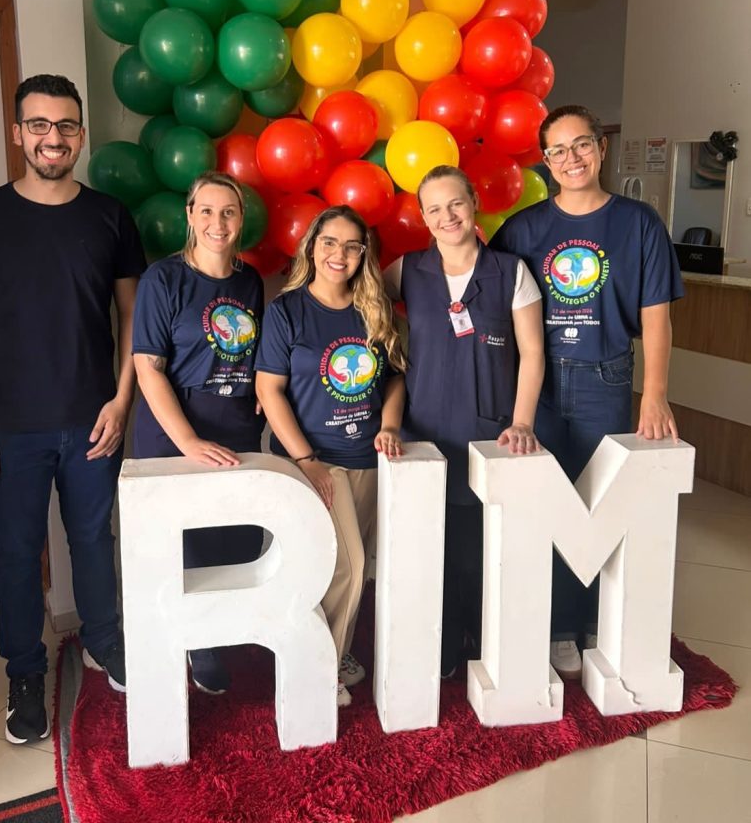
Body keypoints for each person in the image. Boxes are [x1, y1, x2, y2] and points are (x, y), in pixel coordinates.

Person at [0, 74, 145, 744]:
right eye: (38, 124)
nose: (52, 137)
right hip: (8, 424)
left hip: (93, 417)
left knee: (94, 539)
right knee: (14, 551)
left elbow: (131, 318)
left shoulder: (109, 216)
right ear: (18, 133)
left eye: (64, 125)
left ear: (80, 135)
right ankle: (25, 673)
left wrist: (122, 399)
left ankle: (104, 642)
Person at [492, 104, 684, 680]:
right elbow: (484, 291)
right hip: (540, 381)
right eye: (557, 150)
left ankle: (592, 617)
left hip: (607, 376)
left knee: (600, 503)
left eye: (581, 145)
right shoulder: (524, 229)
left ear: (601, 148)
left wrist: (655, 392)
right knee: (546, 503)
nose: (570, 158)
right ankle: (555, 626)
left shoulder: (639, 222)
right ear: (545, 161)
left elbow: (656, 315)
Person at [384, 165, 545, 678]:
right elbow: (353, 309)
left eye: (455, 203)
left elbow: (532, 352)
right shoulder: (405, 271)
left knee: (479, 548)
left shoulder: (511, 272)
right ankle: (446, 637)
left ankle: (481, 634)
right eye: (434, 209)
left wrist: (522, 422)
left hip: (489, 432)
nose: (447, 216)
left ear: (474, 201)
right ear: (423, 217)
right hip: (423, 432)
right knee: (431, 546)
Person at [255, 205, 405, 707]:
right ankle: (317, 673)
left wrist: (389, 426)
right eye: (329, 242)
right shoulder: (287, 310)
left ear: (364, 254)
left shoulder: (373, 308)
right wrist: (305, 459)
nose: (339, 254)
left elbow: (395, 379)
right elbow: (269, 390)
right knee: (346, 566)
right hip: (314, 460)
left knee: (350, 568)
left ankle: (332, 652)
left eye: (351, 246)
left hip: (367, 458)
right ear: (312, 247)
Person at [132, 171, 264, 695]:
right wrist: (187, 442)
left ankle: (221, 630)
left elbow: (252, 353)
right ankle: (197, 647)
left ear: (241, 218)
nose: (217, 222)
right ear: (189, 216)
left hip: (236, 424)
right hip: (176, 430)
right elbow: (148, 369)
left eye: (228, 211)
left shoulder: (250, 281)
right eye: (206, 210)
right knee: (184, 547)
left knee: (235, 538)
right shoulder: (162, 280)